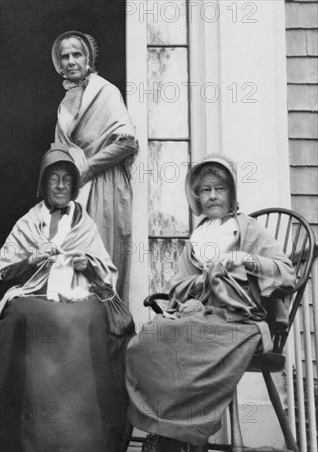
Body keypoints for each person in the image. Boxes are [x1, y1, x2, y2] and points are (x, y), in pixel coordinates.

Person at [125, 154, 296, 451]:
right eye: (205, 190)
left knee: (193, 340)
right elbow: (177, 289)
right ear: (197, 197)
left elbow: (287, 274)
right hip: (201, 316)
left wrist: (247, 260)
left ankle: (175, 439)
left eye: (220, 188)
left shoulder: (249, 230)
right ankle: (166, 429)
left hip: (242, 321)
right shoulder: (198, 238)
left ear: (232, 193)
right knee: (149, 339)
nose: (213, 195)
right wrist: (206, 279)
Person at [0, 143, 135, 452]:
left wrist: (88, 266)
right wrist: (31, 259)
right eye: (54, 178)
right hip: (34, 296)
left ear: (75, 186)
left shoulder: (85, 224)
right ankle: (31, 436)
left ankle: (86, 436)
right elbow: (1, 271)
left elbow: (106, 274)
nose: (61, 185)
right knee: (20, 314)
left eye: (68, 179)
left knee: (94, 318)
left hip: (79, 298)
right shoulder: (28, 223)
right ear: (43, 184)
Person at [51, 30, 139, 300]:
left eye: (76, 54)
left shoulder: (105, 91)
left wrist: (87, 169)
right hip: (74, 189)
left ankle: (106, 331)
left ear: (88, 58)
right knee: (67, 265)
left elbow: (128, 143)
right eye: (64, 56)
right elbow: (59, 153)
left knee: (99, 260)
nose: (70, 61)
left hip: (104, 185)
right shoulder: (64, 104)